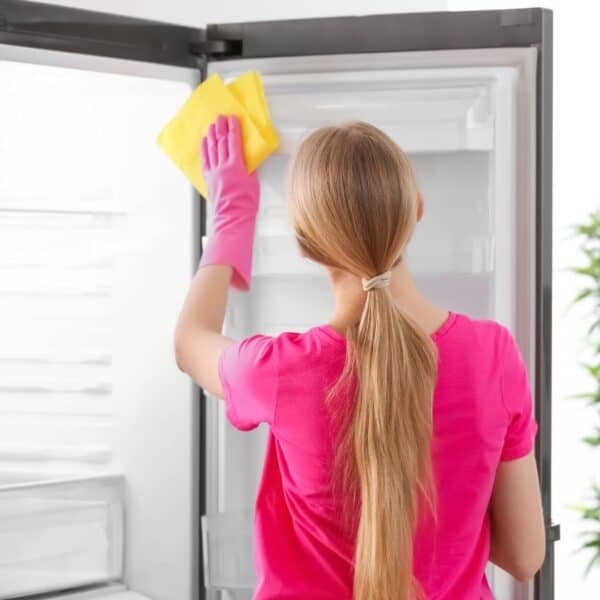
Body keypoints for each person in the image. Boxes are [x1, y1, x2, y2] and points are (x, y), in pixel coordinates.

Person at [174, 115, 546, 600]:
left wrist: (231, 218)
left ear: (305, 245)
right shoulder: (492, 355)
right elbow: (523, 555)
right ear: (416, 210)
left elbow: (190, 340)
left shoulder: (280, 370)